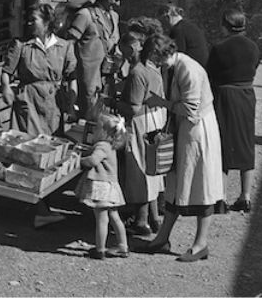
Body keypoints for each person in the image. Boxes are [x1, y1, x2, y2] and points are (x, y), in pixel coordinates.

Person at [142, 34, 225, 262]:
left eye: (157, 59)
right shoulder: (171, 67)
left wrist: (160, 102)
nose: (156, 65)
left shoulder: (188, 68)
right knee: (175, 185)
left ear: (165, 53)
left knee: (201, 185)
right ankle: (163, 238)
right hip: (183, 130)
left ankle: (200, 244)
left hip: (198, 131)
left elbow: (190, 108)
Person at [1, 2, 78, 228]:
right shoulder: (22, 46)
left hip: (54, 104)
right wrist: (6, 88)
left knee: (52, 154)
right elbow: (6, 73)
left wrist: (72, 101)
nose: (29, 23)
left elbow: (71, 76)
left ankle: (42, 203)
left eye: (33, 19)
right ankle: (40, 209)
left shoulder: (64, 47)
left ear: (47, 23)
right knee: (34, 153)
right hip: (29, 103)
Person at [113, 29, 167, 235]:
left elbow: (133, 107)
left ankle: (141, 221)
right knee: (151, 173)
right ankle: (153, 219)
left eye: (124, 50)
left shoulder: (137, 71)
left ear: (133, 46)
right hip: (155, 120)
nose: (124, 55)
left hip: (140, 123)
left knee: (139, 171)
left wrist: (114, 102)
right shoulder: (152, 68)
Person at [206, 9, 260, 213]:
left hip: (226, 95)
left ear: (226, 25)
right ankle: (245, 196)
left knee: (223, 144)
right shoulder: (253, 46)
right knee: (246, 143)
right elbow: (255, 66)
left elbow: (210, 71)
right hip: (247, 94)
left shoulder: (219, 48)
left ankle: (221, 197)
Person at [62, 0, 125, 121]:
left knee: (106, 113)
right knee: (90, 112)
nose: (118, 4)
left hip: (108, 75)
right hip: (89, 74)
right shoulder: (85, 15)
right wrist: (69, 69)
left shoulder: (114, 17)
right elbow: (69, 44)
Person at [76, 113, 129, 259]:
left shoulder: (101, 146)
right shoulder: (112, 145)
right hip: (111, 186)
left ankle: (100, 249)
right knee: (114, 216)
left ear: (103, 131)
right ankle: (123, 246)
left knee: (101, 218)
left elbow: (93, 160)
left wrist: (79, 160)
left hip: (101, 186)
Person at [158, 4, 209, 68]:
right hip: (202, 69)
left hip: (192, 69)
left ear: (167, 17)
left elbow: (176, 56)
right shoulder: (191, 26)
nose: (163, 25)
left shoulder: (178, 30)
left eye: (162, 21)